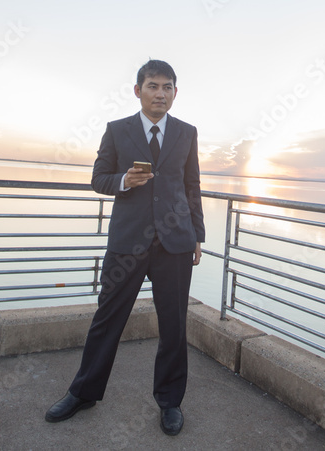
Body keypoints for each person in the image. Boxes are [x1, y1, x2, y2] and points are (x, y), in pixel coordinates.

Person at [45, 59, 205, 437]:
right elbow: (98, 179)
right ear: (138, 90)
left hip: (176, 243)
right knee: (107, 320)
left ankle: (170, 403)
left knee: (173, 326)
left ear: (175, 93)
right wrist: (123, 180)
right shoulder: (117, 131)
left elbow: (192, 185)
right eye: (153, 86)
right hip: (127, 243)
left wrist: (198, 234)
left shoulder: (187, 132)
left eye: (167, 87)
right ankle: (83, 392)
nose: (160, 93)